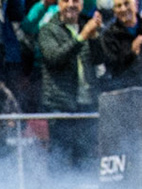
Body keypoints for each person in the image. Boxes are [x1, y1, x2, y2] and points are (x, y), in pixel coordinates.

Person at [37, 0, 103, 170]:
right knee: (60, 160)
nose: (71, 5)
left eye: (76, 1)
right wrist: (82, 37)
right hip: (61, 106)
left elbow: (100, 62)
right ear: (58, 4)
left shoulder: (88, 26)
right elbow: (54, 58)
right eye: (66, 1)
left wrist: (95, 38)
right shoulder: (48, 30)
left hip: (87, 104)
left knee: (87, 160)